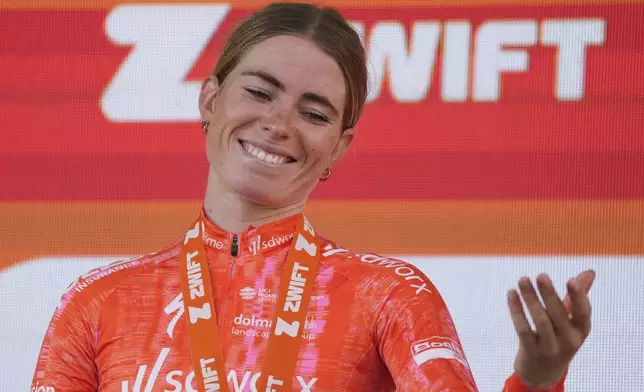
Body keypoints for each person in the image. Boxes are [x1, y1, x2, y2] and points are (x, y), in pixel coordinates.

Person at [31, 3, 594, 391]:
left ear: (339, 145)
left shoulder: (390, 295)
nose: (279, 124)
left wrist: (535, 381)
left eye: (314, 112)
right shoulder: (98, 301)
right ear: (210, 101)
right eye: (259, 92)